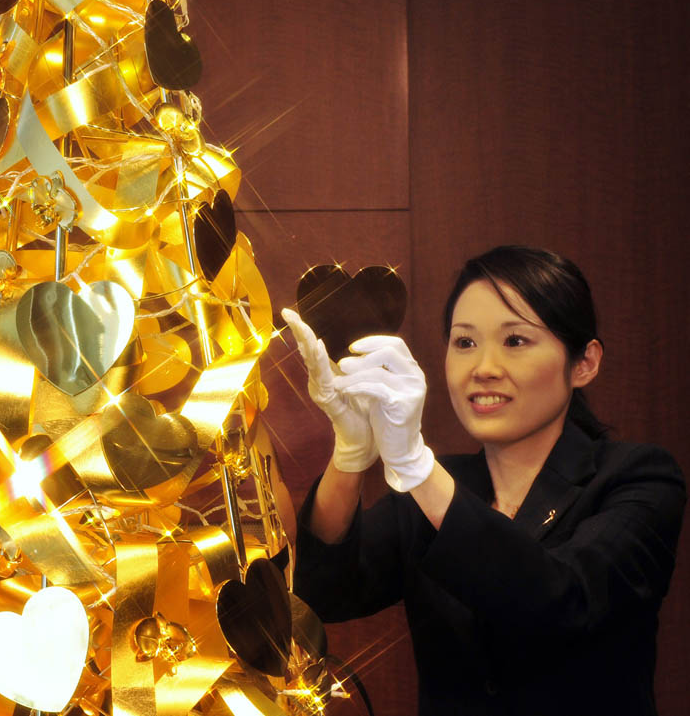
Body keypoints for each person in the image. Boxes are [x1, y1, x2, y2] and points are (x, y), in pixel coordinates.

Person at [282, 245, 685, 716]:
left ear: (584, 363)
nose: (483, 368)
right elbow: (325, 593)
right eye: (465, 342)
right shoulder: (437, 489)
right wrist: (350, 455)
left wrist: (415, 465)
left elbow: (564, 605)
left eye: (515, 341)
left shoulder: (638, 478)